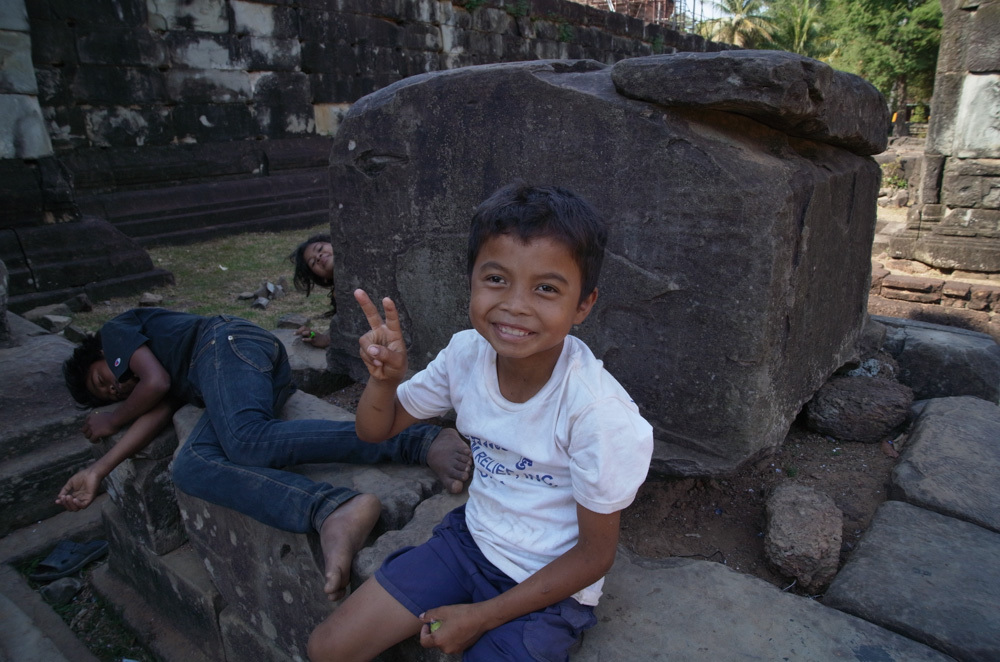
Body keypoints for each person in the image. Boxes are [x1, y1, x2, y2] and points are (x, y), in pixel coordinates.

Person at [307, 184, 653, 660]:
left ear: (583, 305)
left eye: (546, 288)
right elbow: (374, 430)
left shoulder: (596, 411)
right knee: (328, 648)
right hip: (469, 543)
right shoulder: (466, 355)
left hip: (549, 587)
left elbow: (595, 557)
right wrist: (384, 382)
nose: (515, 304)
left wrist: (482, 616)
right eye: (496, 279)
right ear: (470, 279)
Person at [58, 308, 472, 600]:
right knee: (190, 466)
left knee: (245, 440)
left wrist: (111, 419)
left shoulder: (116, 330)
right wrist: (98, 470)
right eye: (108, 394)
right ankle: (330, 508)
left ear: (99, 355)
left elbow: (156, 382)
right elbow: (157, 404)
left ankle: (418, 440)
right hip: (227, 380)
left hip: (228, 344)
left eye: (102, 379)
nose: (114, 389)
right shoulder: (147, 377)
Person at [289, 233, 336, 348]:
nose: (318, 256)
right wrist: (323, 338)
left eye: (320, 249)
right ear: (323, 279)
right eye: (313, 263)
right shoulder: (339, 296)